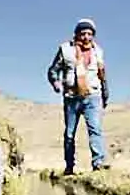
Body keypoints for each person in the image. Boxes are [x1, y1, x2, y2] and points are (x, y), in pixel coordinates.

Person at [47, 18, 110, 175]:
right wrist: (56, 84)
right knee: (69, 134)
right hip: (71, 98)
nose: (86, 37)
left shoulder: (98, 51)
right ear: (76, 35)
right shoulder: (65, 50)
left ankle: (98, 163)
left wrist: (105, 92)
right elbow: (53, 70)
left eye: (90, 34)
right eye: (83, 34)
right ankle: (69, 167)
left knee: (95, 129)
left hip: (92, 96)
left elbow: (102, 75)